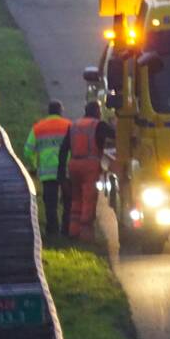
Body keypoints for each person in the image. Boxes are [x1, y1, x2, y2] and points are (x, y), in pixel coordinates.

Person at [58, 101, 115, 242]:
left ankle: (73, 232)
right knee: (88, 200)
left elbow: (63, 149)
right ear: (97, 112)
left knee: (76, 199)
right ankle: (86, 236)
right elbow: (115, 135)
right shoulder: (98, 125)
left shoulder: (74, 125)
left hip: (74, 165)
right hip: (89, 167)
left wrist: (61, 172)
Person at [24, 101, 72, 236]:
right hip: (66, 171)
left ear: (48, 112)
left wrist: (34, 166)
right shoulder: (69, 126)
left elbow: (27, 151)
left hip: (47, 173)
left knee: (51, 204)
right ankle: (67, 230)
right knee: (68, 203)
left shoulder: (38, 128)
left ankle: (52, 230)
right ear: (61, 112)